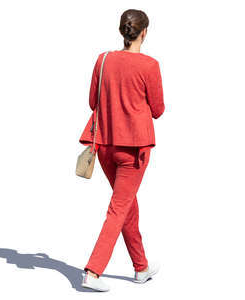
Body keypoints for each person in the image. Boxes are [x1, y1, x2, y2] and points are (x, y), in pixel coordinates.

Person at [79, 9, 165, 292]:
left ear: (122, 31)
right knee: (119, 208)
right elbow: (158, 110)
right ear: (144, 32)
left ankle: (140, 267)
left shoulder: (103, 60)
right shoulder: (150, 65)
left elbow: (93, 102)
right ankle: (93, 271)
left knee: (126, 205)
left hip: (104, 145)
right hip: (134, 149)